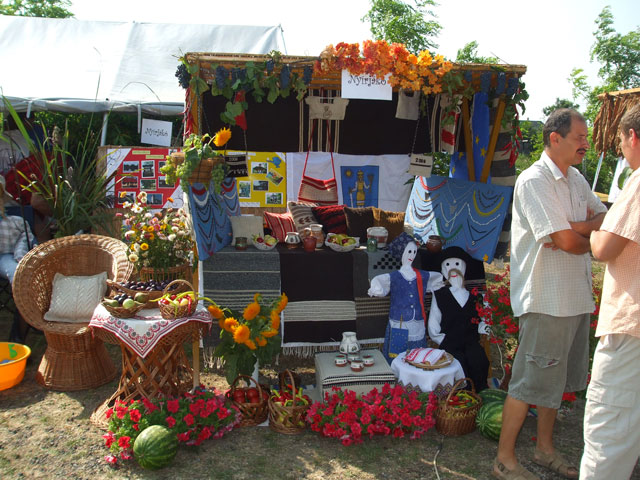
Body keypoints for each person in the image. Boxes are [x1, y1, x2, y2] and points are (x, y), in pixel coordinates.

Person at [493, 109, 607, 480]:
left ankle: (544, 450)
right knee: (528, 383)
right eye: (579, 138)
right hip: (546, 299)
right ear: (554, 139)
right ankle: (504, 461)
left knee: (552, 384)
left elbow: (603, 220)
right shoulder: (534, 180)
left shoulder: (576, 179)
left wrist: (573, 228)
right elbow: (568, 242)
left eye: (586, 137)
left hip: (574, 297)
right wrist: (579, 234)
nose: (586, 144)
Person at [580, 104, 640, 479]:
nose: (619, 147)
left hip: (631, 326)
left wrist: (592, 231)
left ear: (633, 136)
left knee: (609, 435)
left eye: (619, 139)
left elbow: (604, 247)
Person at [368, 232, 444, 363]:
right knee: (397, 356)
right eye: (409, 251)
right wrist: (376, 289)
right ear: (401, 253)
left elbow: (436, 278)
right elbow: (379, 282)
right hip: (399, 322)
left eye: (414, 252)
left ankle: (416, 372)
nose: (412, 255)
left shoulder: (422, 275)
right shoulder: (394, 277)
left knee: (418, 356)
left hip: (417, 322)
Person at [428, 246, 490, 391]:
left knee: (478, 360)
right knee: (457, 363)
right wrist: (441, 339)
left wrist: (483, 332)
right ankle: (459, 394)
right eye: (448, 265)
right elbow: (433, 321)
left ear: (464, 267)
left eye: (457, 264)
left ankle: (479, 392)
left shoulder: (477, 296)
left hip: (471, 341)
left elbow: (486, 317)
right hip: (450, 342)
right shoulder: (440, 295)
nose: (453, 269)